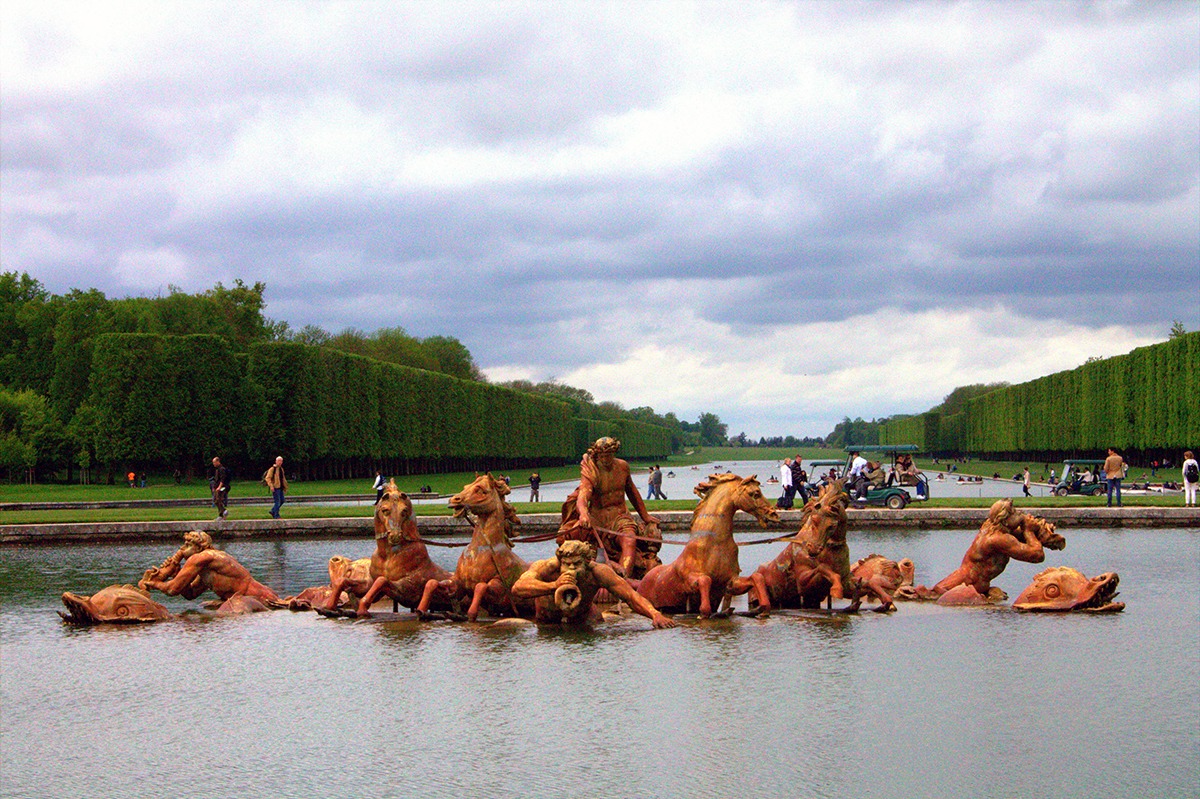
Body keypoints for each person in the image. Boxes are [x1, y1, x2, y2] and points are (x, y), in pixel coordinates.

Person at [556, 437, 661, 579]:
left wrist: (645, 516)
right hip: (597, 517)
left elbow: (632, 492)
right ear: (597, 455)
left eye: (609, 456)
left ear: (614, 453)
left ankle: (624, 579)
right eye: (602, 456)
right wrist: (583, 514)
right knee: (570, 538)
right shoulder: (592, 470)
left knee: (629, 539)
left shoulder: (623, 467)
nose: (605, 460)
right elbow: (583, 497)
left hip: (620, 517)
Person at [511, 540, 675, 628]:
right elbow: (518, 587)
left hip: (582, 617)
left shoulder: (597, 572)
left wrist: (655, 615)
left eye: (576, 564)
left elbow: (631, 596)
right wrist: (554, 585)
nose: (572, 568)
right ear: (560, 561)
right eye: (567, 564)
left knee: (595, 622)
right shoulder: (547, 567)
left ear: (587, 561)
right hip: (548, 618)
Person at [139, 531, 280, 604]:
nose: (182, 549)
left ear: (198, 547)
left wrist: (154, 583)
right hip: (259, 596)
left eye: (187, 545)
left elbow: (172, 589)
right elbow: (191, 594)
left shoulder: (201, 558)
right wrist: (176, 573)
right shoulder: (207, 566)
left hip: (258, 598)